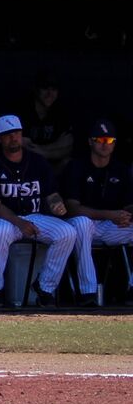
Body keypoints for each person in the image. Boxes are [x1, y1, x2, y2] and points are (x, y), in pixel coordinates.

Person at [0, 115, 77, 308]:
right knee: (0, 233)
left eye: (16, 133)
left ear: (22, 135)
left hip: (34, 217)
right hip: (3, 218)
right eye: (7, 135)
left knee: (67, 232)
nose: (13, 138)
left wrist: (58, 206)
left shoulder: (38, 162)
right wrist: (19, 222)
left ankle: (44, 288)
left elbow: (51, 193)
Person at [62, 119, 133, 307]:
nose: (104, 144)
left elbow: (128, 205)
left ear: (115, 143)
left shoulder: (121, 169)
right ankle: (88, 292)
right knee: (82, 223)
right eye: (100, 139)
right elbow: (72, 208)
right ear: (90, 142)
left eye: (109, 140)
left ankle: (131, 288)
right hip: (82, 227)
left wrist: (127, 215)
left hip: (111, 227)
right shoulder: (76, 167)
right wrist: (111, 215)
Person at [20, 70, 74, 175]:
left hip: (51, 167)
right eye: (45, 88)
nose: (50, 93)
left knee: (67, 163)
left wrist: (41, 151)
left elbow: (67, 147)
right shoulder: (23, 110)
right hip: (26, 166)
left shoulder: (60, 112)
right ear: (36, 89)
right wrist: (54, 147)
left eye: (53, 89)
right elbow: (23, 146)